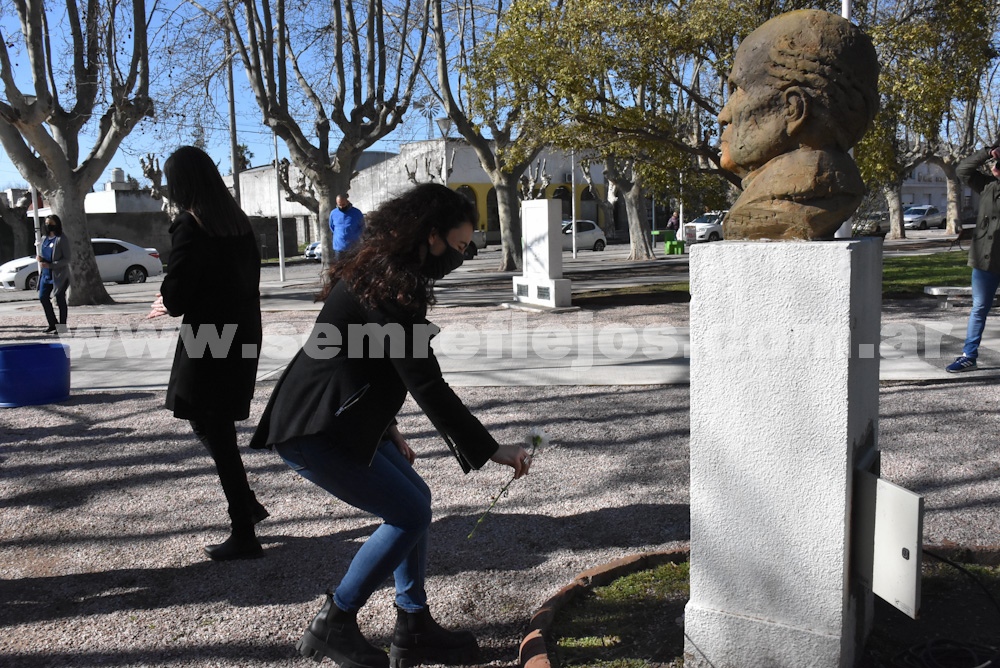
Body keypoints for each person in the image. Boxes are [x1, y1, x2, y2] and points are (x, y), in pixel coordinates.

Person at [250, 183, 533, 668]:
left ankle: (413, 624)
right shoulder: (388, 288)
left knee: (415, 501)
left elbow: (368, 364)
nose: (462, 258)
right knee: (409, 513)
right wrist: (489, 449)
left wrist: (387, 428)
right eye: (460, 246)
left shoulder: (385, 276)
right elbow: (424, 380)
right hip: (313, 428)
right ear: (430, 236)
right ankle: (334, 622)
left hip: (342, 417)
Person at [147, 146, 267, 561]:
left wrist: (163, 297)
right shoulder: (240, 224)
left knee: (212, 426)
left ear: (182, 183)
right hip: (243, 333)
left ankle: (244, 529)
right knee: (212, 423)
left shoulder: (190, 225)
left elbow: (177, 296)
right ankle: (247, 506)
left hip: (208, 341)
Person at [717, 9, 880, 240]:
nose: (723, 115)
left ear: (792, 109)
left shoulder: (778, 208)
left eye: (738, 91)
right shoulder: (842, 186)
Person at [946, 145, 1000, 372]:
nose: (996, 168)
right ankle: (969, 355)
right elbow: (963, 170)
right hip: (985, 261)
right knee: (979, 308)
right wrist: (989, 152)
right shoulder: (988, 186)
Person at [37, 214, 71, 334]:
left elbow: (67, 259)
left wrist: (52, 265)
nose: (48, 226)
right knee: (43, 297)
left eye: (51, 223)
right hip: (45, 274)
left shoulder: (61, 239)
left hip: (59, 275)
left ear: (56, 224)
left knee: (60, 299)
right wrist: (40, 259)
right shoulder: (44, 239)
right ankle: (52, 324)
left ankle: (62, 327)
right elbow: (43, 252)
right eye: (46, 223)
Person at [329, 193, 365, 260]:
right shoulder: (333, 213)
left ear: (347, 202)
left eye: (343, 204)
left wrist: (355, 236)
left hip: (353, 247)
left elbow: (362, 227)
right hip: (339, 248)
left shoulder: (357, 212)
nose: (342, 207)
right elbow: (332, 227)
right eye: (339, 205)